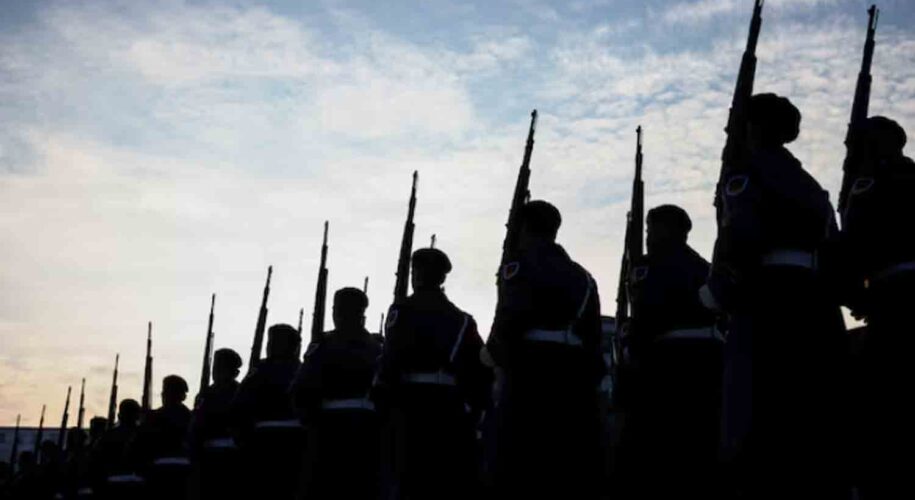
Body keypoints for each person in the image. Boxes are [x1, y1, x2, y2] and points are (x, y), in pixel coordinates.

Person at [704, 93, 849, 499]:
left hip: (765, 302)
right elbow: (834, 253)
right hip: (816, 304)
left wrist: (720, 294)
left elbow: (740, 238)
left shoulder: (746, 172)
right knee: (813, 416)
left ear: (751, 127)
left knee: (753, 418)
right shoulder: (811, 186)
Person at [486, 200, 604, 500]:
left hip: (529, 370)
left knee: (518, 461)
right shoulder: (584, 277)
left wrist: (495, 354)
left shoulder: (518, 265)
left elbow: (511, 318)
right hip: (573, 373)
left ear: (524, 227)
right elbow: (593, 339)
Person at [616, 205, 723, 499]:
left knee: (656, 449)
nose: (648, 236)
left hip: (667, 363)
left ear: (670, 230)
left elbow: (646, 313)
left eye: (652, 229)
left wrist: (631, 351)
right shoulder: (704, 267)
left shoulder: (650, 265)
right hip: (710, 361)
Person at [376, 249, 491, 500]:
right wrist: (473, 410)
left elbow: (391, 360)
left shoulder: (402, 310)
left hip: (409, 407)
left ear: (417, 274)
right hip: (450, 408)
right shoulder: (463, 320)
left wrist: (383, 401)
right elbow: (479, 371)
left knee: (407, 481)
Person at [841, 116, 915, 500]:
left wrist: (853, 292)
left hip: (893, 294)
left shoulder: (870, 181)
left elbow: (855, 240)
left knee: (883, 395)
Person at [292, 287, 383, 500]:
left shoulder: (323, 344)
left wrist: (309, 420)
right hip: (368, 430)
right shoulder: (377, 347)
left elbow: (303, 387)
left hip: (328, 430)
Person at [231, 324, 302, 500]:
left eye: (274, 341)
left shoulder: (261, 370)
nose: (269, 346)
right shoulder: (302, 368)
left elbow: (239, 405)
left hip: (265, 441)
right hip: (295, 441)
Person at [129, 375, 193, 499]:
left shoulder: (153, 417)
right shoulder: (191, 417)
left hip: (158, 471)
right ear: (183, 396)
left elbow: (138, 446)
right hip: (186, 471)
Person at [89, 399, 141, 494]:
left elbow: (95, 462)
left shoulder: (107, 436)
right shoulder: (144, 434)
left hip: (111, 484)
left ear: (119, 415)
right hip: (138, 483)